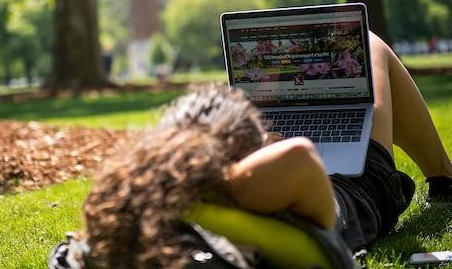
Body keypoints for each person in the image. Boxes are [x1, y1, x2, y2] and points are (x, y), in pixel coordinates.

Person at [50, 32, 452, 269]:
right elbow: (299, 156)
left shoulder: (138, 201)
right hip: (363, 191)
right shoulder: (247, 184)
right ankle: (443, 176)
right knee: (369, 44)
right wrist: (261, 150)